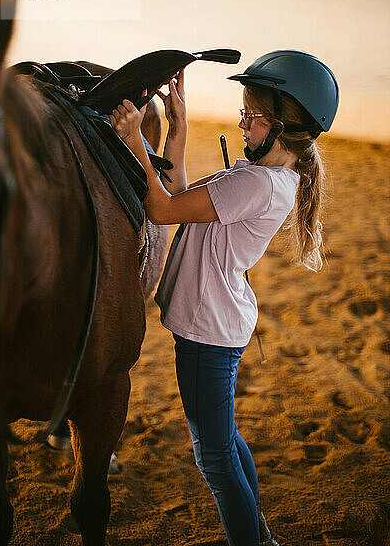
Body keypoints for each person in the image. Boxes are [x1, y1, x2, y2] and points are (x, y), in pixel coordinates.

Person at [109, 50, 339, 546]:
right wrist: (178, 127)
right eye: (242, 114)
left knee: (213, 456)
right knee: (226, 439)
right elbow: (181, 196)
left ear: (282, 126)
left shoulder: (256, 183)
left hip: (207, 331)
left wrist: (132, 139)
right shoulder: (266, 179)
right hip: (218, 321)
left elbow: (164, 208)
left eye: (250, 116)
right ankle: (259, 534)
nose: (243, 125)